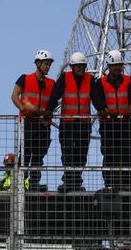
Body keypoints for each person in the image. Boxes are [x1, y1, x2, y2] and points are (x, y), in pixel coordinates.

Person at [46, 51, 94, 192]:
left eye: (82, 66)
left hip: (84, 124)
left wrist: (102, 109)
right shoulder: (65, 78)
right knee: (67, 153)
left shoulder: (90, 79)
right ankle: (68, 181)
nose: (80, 69)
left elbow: (96, 97)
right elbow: (55, 95)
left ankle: (76, 182)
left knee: (81, 154)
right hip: (67, 123)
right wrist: (49, 110)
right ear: (72, 67)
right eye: (78, 66)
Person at [91, 49, 131, 190]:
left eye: (119, 65)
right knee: (109, 154)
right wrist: (105, 111)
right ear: (109, 66)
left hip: (125, 123)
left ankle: (126, 183)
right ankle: (109, 183)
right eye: (115, 65)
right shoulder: (100, 83)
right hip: (109, 125)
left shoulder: (129, 81)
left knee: (127, 153)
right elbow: (97, 99)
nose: (117, 68)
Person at [10, 49, 55, 192]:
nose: (48, 67)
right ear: (38, 63)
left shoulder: (51, 83)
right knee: (25, 154)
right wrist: (24, 109)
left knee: (39, 155)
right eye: (46, 64)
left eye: (49, 64)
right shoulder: (25, 78)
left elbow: (53, 103)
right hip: (29, 122)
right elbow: (14, 96)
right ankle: (19, 182)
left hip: (43, 124)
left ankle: (34, 182)